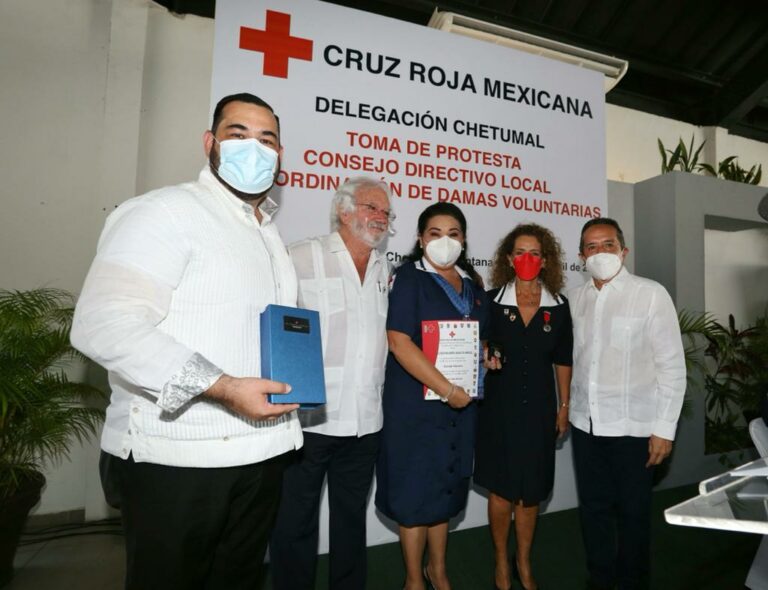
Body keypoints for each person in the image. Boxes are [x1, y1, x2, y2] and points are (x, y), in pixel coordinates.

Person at [70, 93, 303, 590]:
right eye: (239, 134)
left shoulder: (268, 233)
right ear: (210, 143)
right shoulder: (164, 212)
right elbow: (103, 323)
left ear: (281, 156)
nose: (254, 148)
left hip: (260, 453)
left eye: (267, 140)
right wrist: (221, 385)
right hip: (178, 459)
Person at [270, 177, 393, 590]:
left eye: (385, 212)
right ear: (344, 211)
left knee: (350, 521)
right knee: (294, 521)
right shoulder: (301, 255)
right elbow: (275, 327)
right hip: (309, 419)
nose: (380, 217)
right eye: (371, 207)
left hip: (365, 422)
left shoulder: (384, 268)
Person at [375, 202, 489, 590]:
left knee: (444, 489)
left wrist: (488, 356)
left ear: (464, 240)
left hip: (459, 411)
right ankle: (413, 579)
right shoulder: (408, 279)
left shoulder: (473, 288)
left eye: (453, 233)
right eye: (435, 233)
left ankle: (437, 570)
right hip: (415, 409)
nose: (445, 241)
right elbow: (398, 342)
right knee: (414, 494)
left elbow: (481, 341)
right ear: (421, 239)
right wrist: (447, 389)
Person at [568, 218, 686, 590]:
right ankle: (600, 579)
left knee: (634, 515)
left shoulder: (650, 294)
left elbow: (672, 366)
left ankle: (634, 583)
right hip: (586, 425)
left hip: (635, 429)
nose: (600, 252)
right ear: (581, 256)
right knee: (594, 511)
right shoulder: (575, 299)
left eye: (608, 244)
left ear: (623, 250)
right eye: (591, 246)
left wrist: (664, 430)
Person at [475, 223, 573, 590]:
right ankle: (501, 562)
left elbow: (563, 359)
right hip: (498, 409)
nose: (527, 259)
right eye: (520, 252)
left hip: (540, 411)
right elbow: (479, 343)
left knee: (530, 493)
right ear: (508, 258)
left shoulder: (560, 306)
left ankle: (524, 562)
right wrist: (484, 353)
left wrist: (563, 406)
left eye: (534, 253)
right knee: (501, 491)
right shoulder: (491, 301)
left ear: (545, 260)